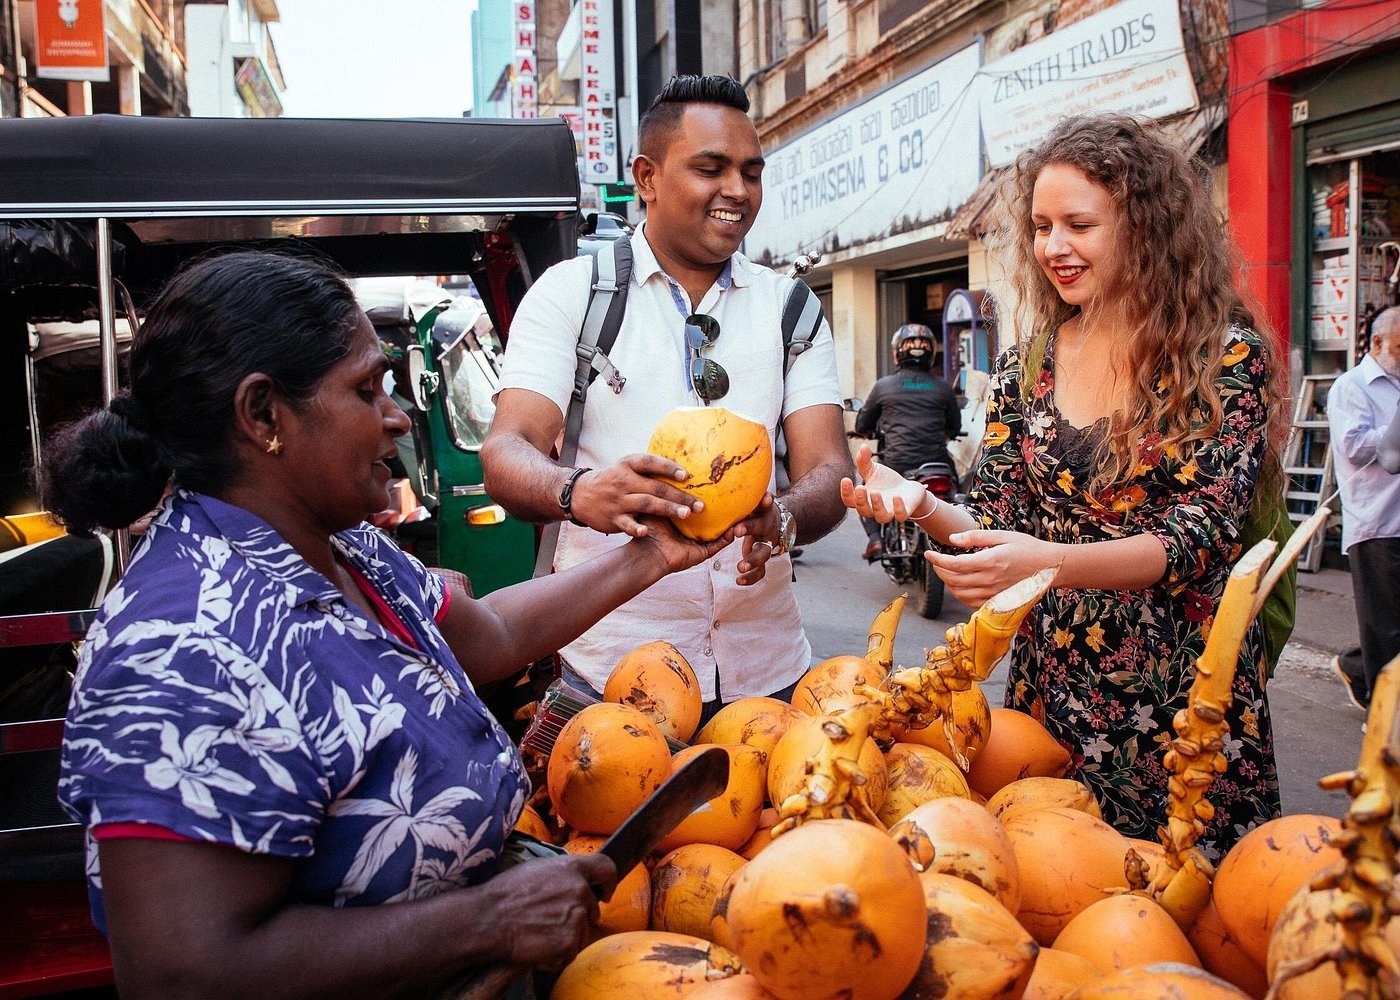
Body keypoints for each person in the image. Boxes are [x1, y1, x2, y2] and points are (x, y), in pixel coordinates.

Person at [43, 251, 734, 998]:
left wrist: (653, 555)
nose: (398, 415)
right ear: (264, 415)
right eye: (367, 389)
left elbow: (488, 634)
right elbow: (182, 970)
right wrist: (487, 920)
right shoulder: (182, 644)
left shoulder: (341, 543)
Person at [841, 114, 1285, 855]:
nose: (1053, 247)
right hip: (1053, 697)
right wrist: (921, 505)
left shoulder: (1222, 356)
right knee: (1055, 902)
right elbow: (1000, 520)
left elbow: (1200, 535)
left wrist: (1047, 564)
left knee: (1193, 923)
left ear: (1145, 226)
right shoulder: (1027, 364)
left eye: (1079, 224)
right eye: (1042, 226)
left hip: (1185, 703)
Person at [481, 75, 852, 715]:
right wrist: (576, 492)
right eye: (711, 168)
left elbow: (829, 470)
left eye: (751, 172)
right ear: (647, 178)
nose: (737, 191)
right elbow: (505, 451)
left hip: (767, 675)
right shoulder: (574, 294)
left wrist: (782, 518)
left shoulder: (791, 308)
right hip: (611, 672)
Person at [1327, 307, 1400, 711]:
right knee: (1385, 623)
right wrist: (1393, 434)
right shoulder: (1352, 386)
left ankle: (1356, 665)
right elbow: (1353, 445)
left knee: (1387, 621)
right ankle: (1384, 715)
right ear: (1377, 343)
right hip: (1376, 519)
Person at [854, 323, 961, 561]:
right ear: (931, 354)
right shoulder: (943, 388)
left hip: (896, 463)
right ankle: (964, 539)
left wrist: (866, 430)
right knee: (959, 493)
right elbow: (955, 427)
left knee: (867, 487)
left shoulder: (884, 386)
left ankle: (875, 540)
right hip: (938, 464)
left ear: (897, 353)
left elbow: (862, 425)